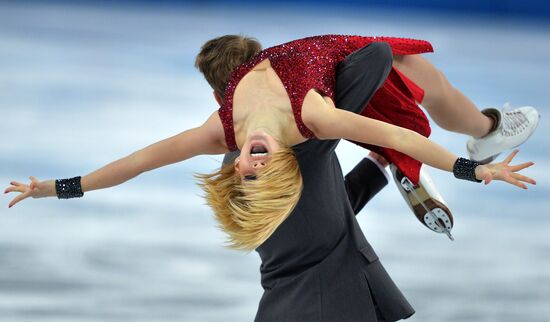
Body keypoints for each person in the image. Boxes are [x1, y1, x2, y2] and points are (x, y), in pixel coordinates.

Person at [4, 34, 537, 321]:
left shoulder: (225, 130)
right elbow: (400, 138)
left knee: (397, 72)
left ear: (234, 162)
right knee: (394, 65)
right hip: (319, 269)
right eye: (264, 170)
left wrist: (54, 187)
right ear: (280, 165)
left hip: (313, 274)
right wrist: (474, 169)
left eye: (245, 172)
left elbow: (139, 161)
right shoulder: (312, 122)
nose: (252, 164)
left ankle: (466, 135)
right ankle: (473, 133)